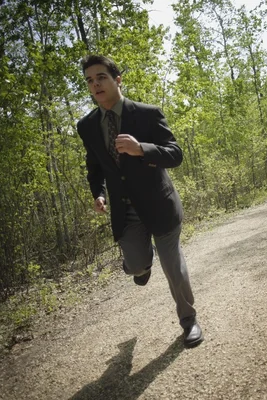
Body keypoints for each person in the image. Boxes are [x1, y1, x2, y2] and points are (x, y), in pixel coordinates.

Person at [76, 55, 203, 348]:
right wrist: (99, 193)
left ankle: (189, 321)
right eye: (90, 80)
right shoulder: (87, 126)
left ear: (117, 80)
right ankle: (141, 267)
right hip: (126, 211)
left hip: (160, 204)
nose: (95, 84)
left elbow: (176, 154)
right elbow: (94, 167)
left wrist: (141, 149)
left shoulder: (147, 114)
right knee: (134, 266)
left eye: (101, 77)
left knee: (173, 266)